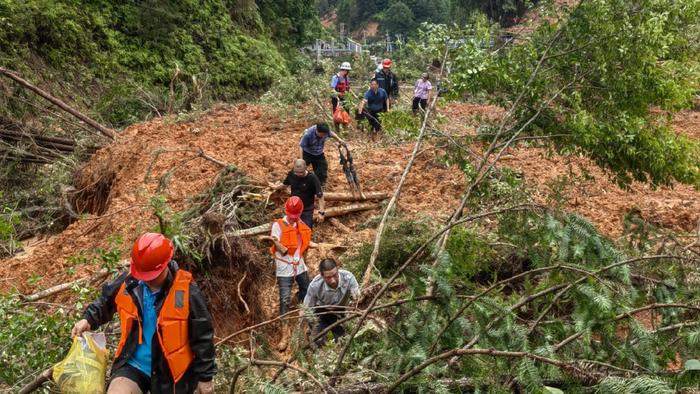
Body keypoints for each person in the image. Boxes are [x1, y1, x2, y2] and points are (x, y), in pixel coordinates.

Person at [71, 233, 216, 394]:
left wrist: (206, 377)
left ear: (165, 265)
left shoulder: (187, 292)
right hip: (133, 363)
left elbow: (203, 336)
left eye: (150, 276)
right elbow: (106, 300)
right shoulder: (130, 281)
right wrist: (88, 319)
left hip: (171, 374)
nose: (146, 280)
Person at [258, 196, 318, 351]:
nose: (293, 219)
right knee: (284, 299)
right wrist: (277, 244)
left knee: (308, 290)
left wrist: (317, 246)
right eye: (292, 216)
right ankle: (284, 334)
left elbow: (304, 242)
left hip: (300, 266)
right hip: (284, 268)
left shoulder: (301, 225)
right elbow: (275, 242)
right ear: (287, 212)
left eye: (295, 216)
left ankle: (308, 322)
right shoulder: (278, 226)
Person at [304, 258, 361, 347]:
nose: (333, 280)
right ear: (322, 276)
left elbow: (358, 299)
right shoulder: (315, 285)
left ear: (338, 270)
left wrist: (353, 313)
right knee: (319, 341)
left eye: (335, 275)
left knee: (344, 340)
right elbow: (307, 308)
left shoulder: (348, 277)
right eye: (328, 277)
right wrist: (313, 324)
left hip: (341, 310)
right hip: (322, 311)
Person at [270, 159, 325, 228]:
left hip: (306, 209)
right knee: (289, 228)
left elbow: (320, 195)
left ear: (306, 168)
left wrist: (321, 212)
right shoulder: (291, 174)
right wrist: (276, 187)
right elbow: (285, 185)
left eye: (301, 172)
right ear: (294, 168)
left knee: (305, 228)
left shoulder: (312, 178)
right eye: (297, 172)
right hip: (293, 208)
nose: (299, 174)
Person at [298, 122, 347, 187]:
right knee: (300, 168)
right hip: (307, 153)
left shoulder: (325, 131)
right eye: (322, 134)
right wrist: (301, 160)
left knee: (322, 169)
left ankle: (320, 185)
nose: (324, 136)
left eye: (325, 134)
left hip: (319, 153)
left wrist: (339, 139)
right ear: (317, 131)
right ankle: (297, 182)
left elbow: (331, 133)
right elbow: (301, 146)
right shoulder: (308, 134)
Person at [330, 62, 352, 132]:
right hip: (337, 99)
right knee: (337, 115)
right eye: (347, 70)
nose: (348, 72)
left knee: (346, 115)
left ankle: (345, 131)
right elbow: (332, 89)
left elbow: (348, 88)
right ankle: (337, 131)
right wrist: (338, 94)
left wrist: (353, 95)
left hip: (345, 98)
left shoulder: (346, 78)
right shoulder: (336, 77)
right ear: (345, 70)